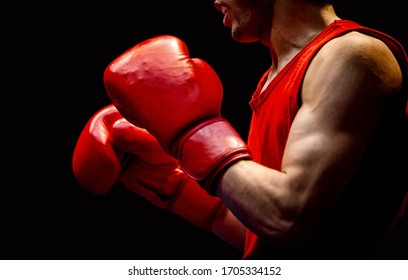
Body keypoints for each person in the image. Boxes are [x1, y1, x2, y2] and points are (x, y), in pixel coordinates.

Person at [73, 0, 408, 259]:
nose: (216, 1)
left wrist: (192, 134)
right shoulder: (271, 78)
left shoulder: (350, 56)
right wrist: (174, 186)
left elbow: (287, 218)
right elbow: (265, 241)